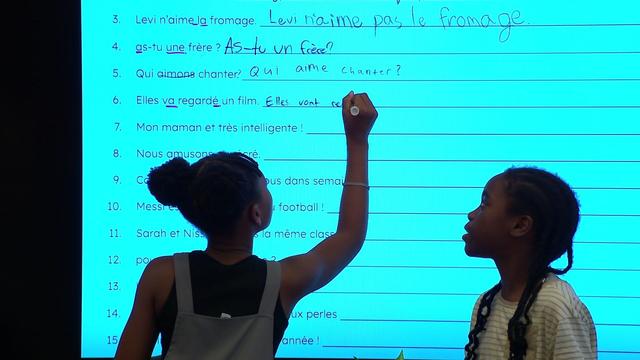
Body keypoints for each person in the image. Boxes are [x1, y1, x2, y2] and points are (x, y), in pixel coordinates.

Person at [114, 91, 378, 359]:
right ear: (256, 214)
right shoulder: (283, 281)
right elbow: (350, 235)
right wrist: (358, 142)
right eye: (266, 187)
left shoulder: (161, 276)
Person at [462, 167, 597, 359]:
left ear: (520, 225)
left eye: (484, 204)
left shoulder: (556, 305)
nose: (472, 214)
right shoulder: (485, 305)